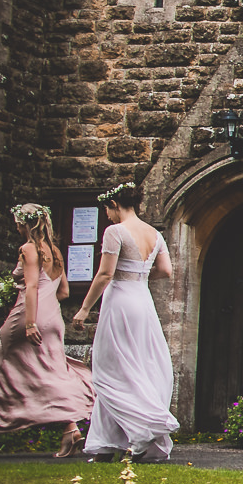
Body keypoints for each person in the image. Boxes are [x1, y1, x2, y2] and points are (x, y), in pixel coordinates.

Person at [0, 203, 95, 458]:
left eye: (17, 221)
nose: (15, 225)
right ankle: (71, 429)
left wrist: (30, 322)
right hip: (54, 318)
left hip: (28, 316)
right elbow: (64, 292)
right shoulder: (55, 251)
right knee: (50, 371)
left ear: (25, 223)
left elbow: (33, 286)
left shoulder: (28, 249)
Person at [71, 181, 178, 462]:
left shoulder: (115, 232)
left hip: (119, 302)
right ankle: (108, 441)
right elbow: (165, 271)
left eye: (107, 208)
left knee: (110, 370)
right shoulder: (155, 234)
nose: (106, 215)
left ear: (115, 205)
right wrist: (138, 276)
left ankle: (139, 431)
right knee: (138, 365)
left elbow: (105, 275)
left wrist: (84, 309)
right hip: (143, 302)